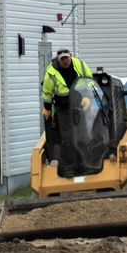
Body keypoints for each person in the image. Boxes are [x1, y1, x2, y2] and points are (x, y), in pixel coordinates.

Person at [41, 48, 93, 178]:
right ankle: (69, 167)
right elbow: (47, 93)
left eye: (67, 58)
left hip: (79, 105)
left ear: (71, 56)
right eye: (62, 59)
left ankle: (85, 164)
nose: (65, 61)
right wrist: (47, 108)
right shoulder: (51, 73)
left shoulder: (80, 65)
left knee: (83, 134)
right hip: (62, 108)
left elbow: (89, 81)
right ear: (58, 59)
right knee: (68, 137)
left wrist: (87, 97)